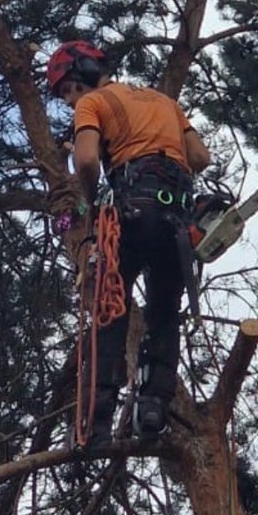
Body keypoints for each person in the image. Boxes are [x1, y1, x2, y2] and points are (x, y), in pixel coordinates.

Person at [47, 41, 211, 438]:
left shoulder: (94, 103)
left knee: (110, 309)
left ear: (85, 71)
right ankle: (153, 406)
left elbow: (86, 160)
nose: (71, 101)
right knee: (163, 314)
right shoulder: (164, 101)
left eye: (70, 89)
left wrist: (91, 199)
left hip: (132, 211)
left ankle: (96, 419)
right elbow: (200, 157)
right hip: (177, 219)